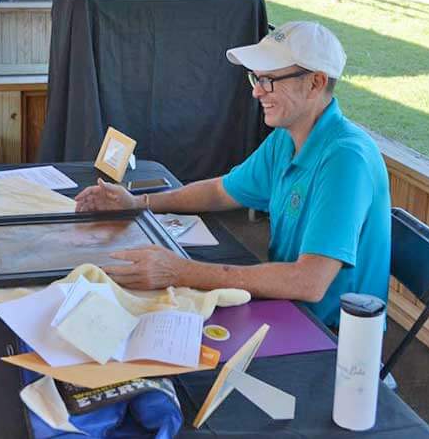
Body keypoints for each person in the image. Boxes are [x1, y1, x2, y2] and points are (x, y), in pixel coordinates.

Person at [75, 21, 391, 327]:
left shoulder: (346, 158)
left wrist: (180, 271)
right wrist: (138, 203)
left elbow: (308, 282)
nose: (257, 93)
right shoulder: (287, 136)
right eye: (256, 79)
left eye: (270, 80)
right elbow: (221, 191)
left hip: (328, 333)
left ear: (316, 83)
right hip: (286, 306)